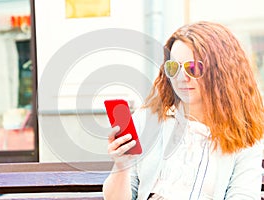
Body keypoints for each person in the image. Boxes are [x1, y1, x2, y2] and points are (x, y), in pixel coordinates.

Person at [102, 21, 264, 200]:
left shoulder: (246, 135)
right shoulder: (147, 120)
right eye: (173, 67)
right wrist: (122, 166)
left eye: (193, 68)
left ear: (221, 73)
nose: (181, 77)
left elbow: (244, 195)